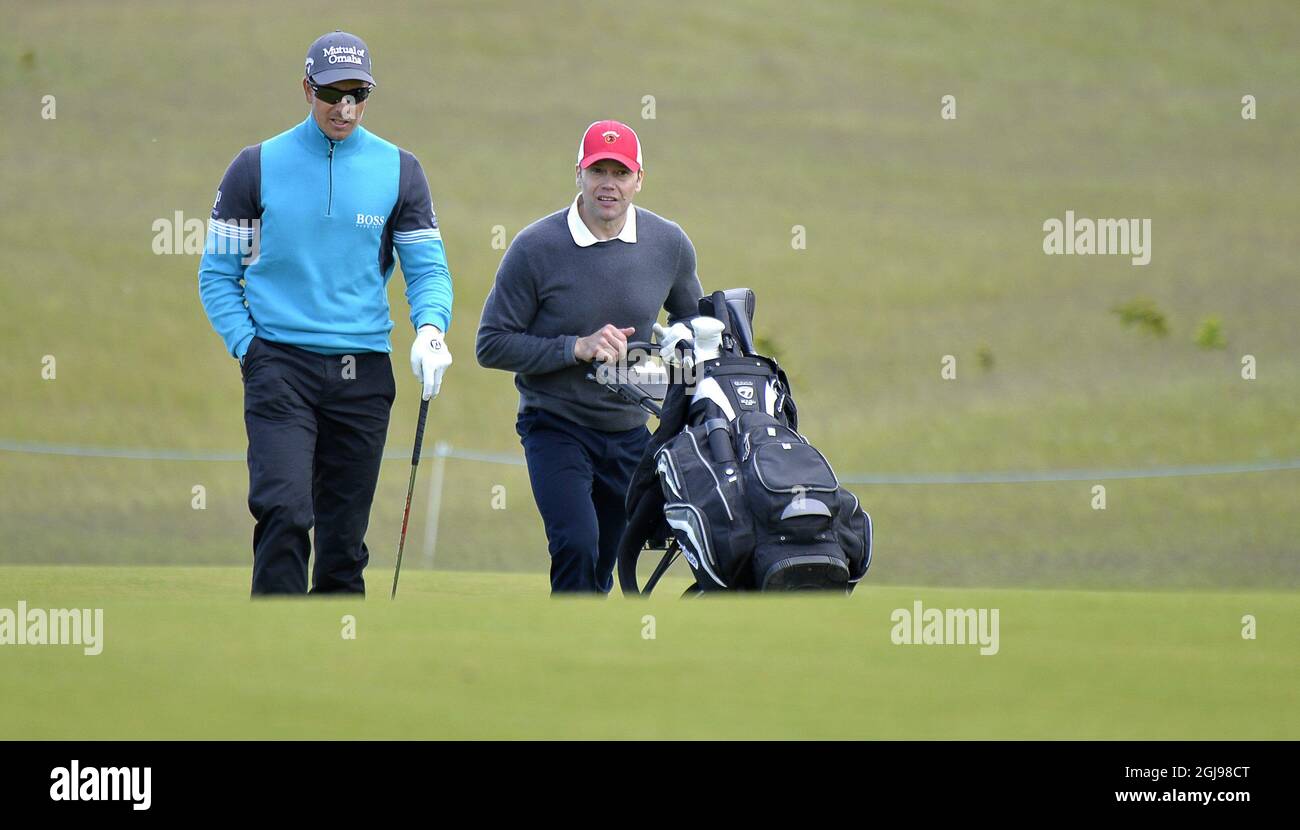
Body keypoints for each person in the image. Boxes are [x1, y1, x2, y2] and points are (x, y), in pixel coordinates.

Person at [198, 31, 454, 596]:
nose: (345, 109)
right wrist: (250, 350)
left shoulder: (400, 170)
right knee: (285, 513)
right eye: (332, 93)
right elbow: (217, 274)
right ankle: (275, 653)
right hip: (280, 367)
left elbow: (427, 271)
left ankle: (335, 668)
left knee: (343, 542)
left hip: (362, 370)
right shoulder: (256, 165)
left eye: (358, 94)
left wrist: (431, 329)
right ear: (306, 88)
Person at [476, 120, 703, 594]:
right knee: (576, 543)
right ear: (578, 174)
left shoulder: (669, 244)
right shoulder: (535, 248)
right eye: (597, 170)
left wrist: (678, 347)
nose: (608, 184)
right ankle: (565, 653)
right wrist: (575, 347)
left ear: (639, 179)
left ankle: (583, 651)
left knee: (606, 559)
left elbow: (690, 323)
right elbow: (491, 343)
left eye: (620, 173)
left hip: (628, 432)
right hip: (555, 425)